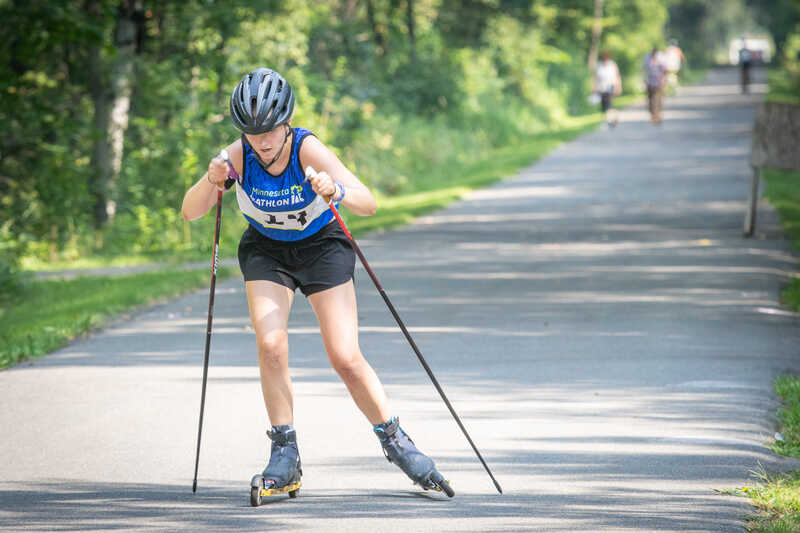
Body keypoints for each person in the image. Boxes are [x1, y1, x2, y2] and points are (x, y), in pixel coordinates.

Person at [181, 68, 449, 499]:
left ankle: (396, 442)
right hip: (267, 251)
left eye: (269, 130)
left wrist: (336, 189)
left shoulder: (309, 148)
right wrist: (212, 179)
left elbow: (370, 203)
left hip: (323, 248)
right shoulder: (237, 156)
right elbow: (190, 211)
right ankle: (285, 455)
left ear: (286, 123)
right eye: (251, 132)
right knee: (270, 344)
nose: (261, 140)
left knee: (344, 356)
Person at [593, 51, 622, 128]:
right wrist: (594, 87)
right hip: (602, 88)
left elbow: (617, 76)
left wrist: (618, 86)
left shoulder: (613, 65)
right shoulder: (599, 65)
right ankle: (607, 120)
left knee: (609, 104)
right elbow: (596, 77)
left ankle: (611, 119)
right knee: (603, 106)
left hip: (611, 87)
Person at [643, 47, 666, 124]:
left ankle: (658, 116)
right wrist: (645, 80)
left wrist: (663, 80)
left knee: (658, 100)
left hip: (659, 83)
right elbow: (645, 70)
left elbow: (665, 70)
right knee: (651, 100)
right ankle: (653, 115)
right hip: (650, 82)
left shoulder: (661, 58)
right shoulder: (647, 58)